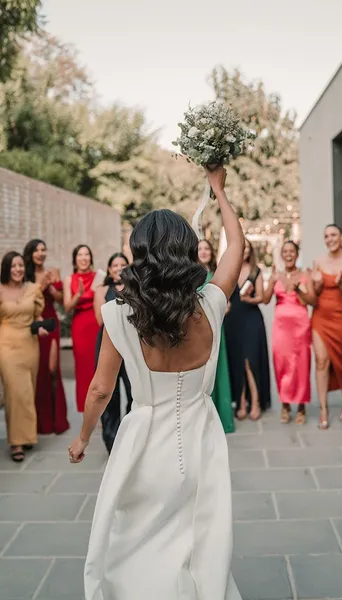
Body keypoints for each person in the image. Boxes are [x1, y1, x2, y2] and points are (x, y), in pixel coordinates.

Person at [68, 166, 244, 600]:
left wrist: (84, 437)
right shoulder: (213, 304)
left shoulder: (119, 314)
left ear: (139, 253)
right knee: (199, 539)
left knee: (137, 542)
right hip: (202, 440)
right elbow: (236, 247)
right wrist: (219, 191)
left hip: (145, 442)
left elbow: (100, 390)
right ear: (188, 252)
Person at [0, 251, 46, 462]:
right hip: (7, 345)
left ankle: (27, 435)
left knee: (29, 391)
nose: (17, 269)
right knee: (14, 392)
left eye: (20, 265)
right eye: (13, 266)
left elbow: (38, 314)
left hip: (30, 344)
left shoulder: (33, 289)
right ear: (6, 269)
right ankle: (16, 442)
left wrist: (41, 326)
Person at [264, 241, 315, 424]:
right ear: (281, 254)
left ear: (297, 253)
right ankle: (285, 404)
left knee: (301, 364)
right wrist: (270, 281)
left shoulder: (304, 274)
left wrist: (298, 288)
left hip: (300, 326)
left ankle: (301, 406)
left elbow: (312, 300)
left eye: (291, 251)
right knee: (281, 363)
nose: (288, 254)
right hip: (281, 327)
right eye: (285, 251)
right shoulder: (276, 275)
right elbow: (265, 299)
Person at [23, 239, 70, 435]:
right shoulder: (25, 274)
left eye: (43, 249)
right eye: (37, 250)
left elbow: (60, 300)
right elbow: (26, 300)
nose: (41, 253)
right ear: (30, 253)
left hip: (51, 323)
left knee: (52, 369)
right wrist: (41, 286)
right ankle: (40, 422)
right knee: (39, 371)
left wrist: (52, 289)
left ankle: (57, 418)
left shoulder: (53, 272)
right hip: (33, 323)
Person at [311, 224, 342, 429]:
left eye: (334, 235)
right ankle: (323, 409)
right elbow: (313, 295)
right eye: (326, 235)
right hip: (320, 317)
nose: (330, 239)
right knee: (321, 361)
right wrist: (317, 283)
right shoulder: (318, 261)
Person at [224, 238, 271, 420]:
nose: (244, 251)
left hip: (252, 318)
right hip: (233, 319)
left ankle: (256, 401)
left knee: (250, 360)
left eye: (247, 248)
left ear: (250, 252)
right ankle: (241, 401)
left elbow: (261, 297)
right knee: (236, 360)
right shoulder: (229, 270)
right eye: (241, 247)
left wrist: (250, 299)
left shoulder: (255, 271)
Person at [94, 253, 133, 453]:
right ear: (109, 269)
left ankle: (129, 433)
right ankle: (111, 440)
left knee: (134, 392)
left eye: (122, 264)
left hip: (130, 345)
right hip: (107, 345)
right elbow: (100, 318)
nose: (118, 268)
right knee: (109, 394)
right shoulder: (101, 289)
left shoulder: (135, 287)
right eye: (114, 265)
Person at [198, 239, 235, 433]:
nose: (203, 252)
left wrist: (222, 307)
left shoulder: (217, 275)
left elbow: (226, 302)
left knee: (218, 369)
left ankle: (221, 417)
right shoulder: (190, 276)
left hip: (215, 327)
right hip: (196, 330)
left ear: (212, 252)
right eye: (200, 248)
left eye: (206, 248)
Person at [63, 245, 99, 413]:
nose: (84, 258)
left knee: (97, 366)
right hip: (80, 326)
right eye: (80, 255)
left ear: (90, 258)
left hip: (95, 323)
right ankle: (86, 409)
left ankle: (99, 407)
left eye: (86, 254)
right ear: (75, 258)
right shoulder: (69, 279)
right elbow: (67, 307)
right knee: (83, 368)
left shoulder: (99, 276)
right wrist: (78, 294)